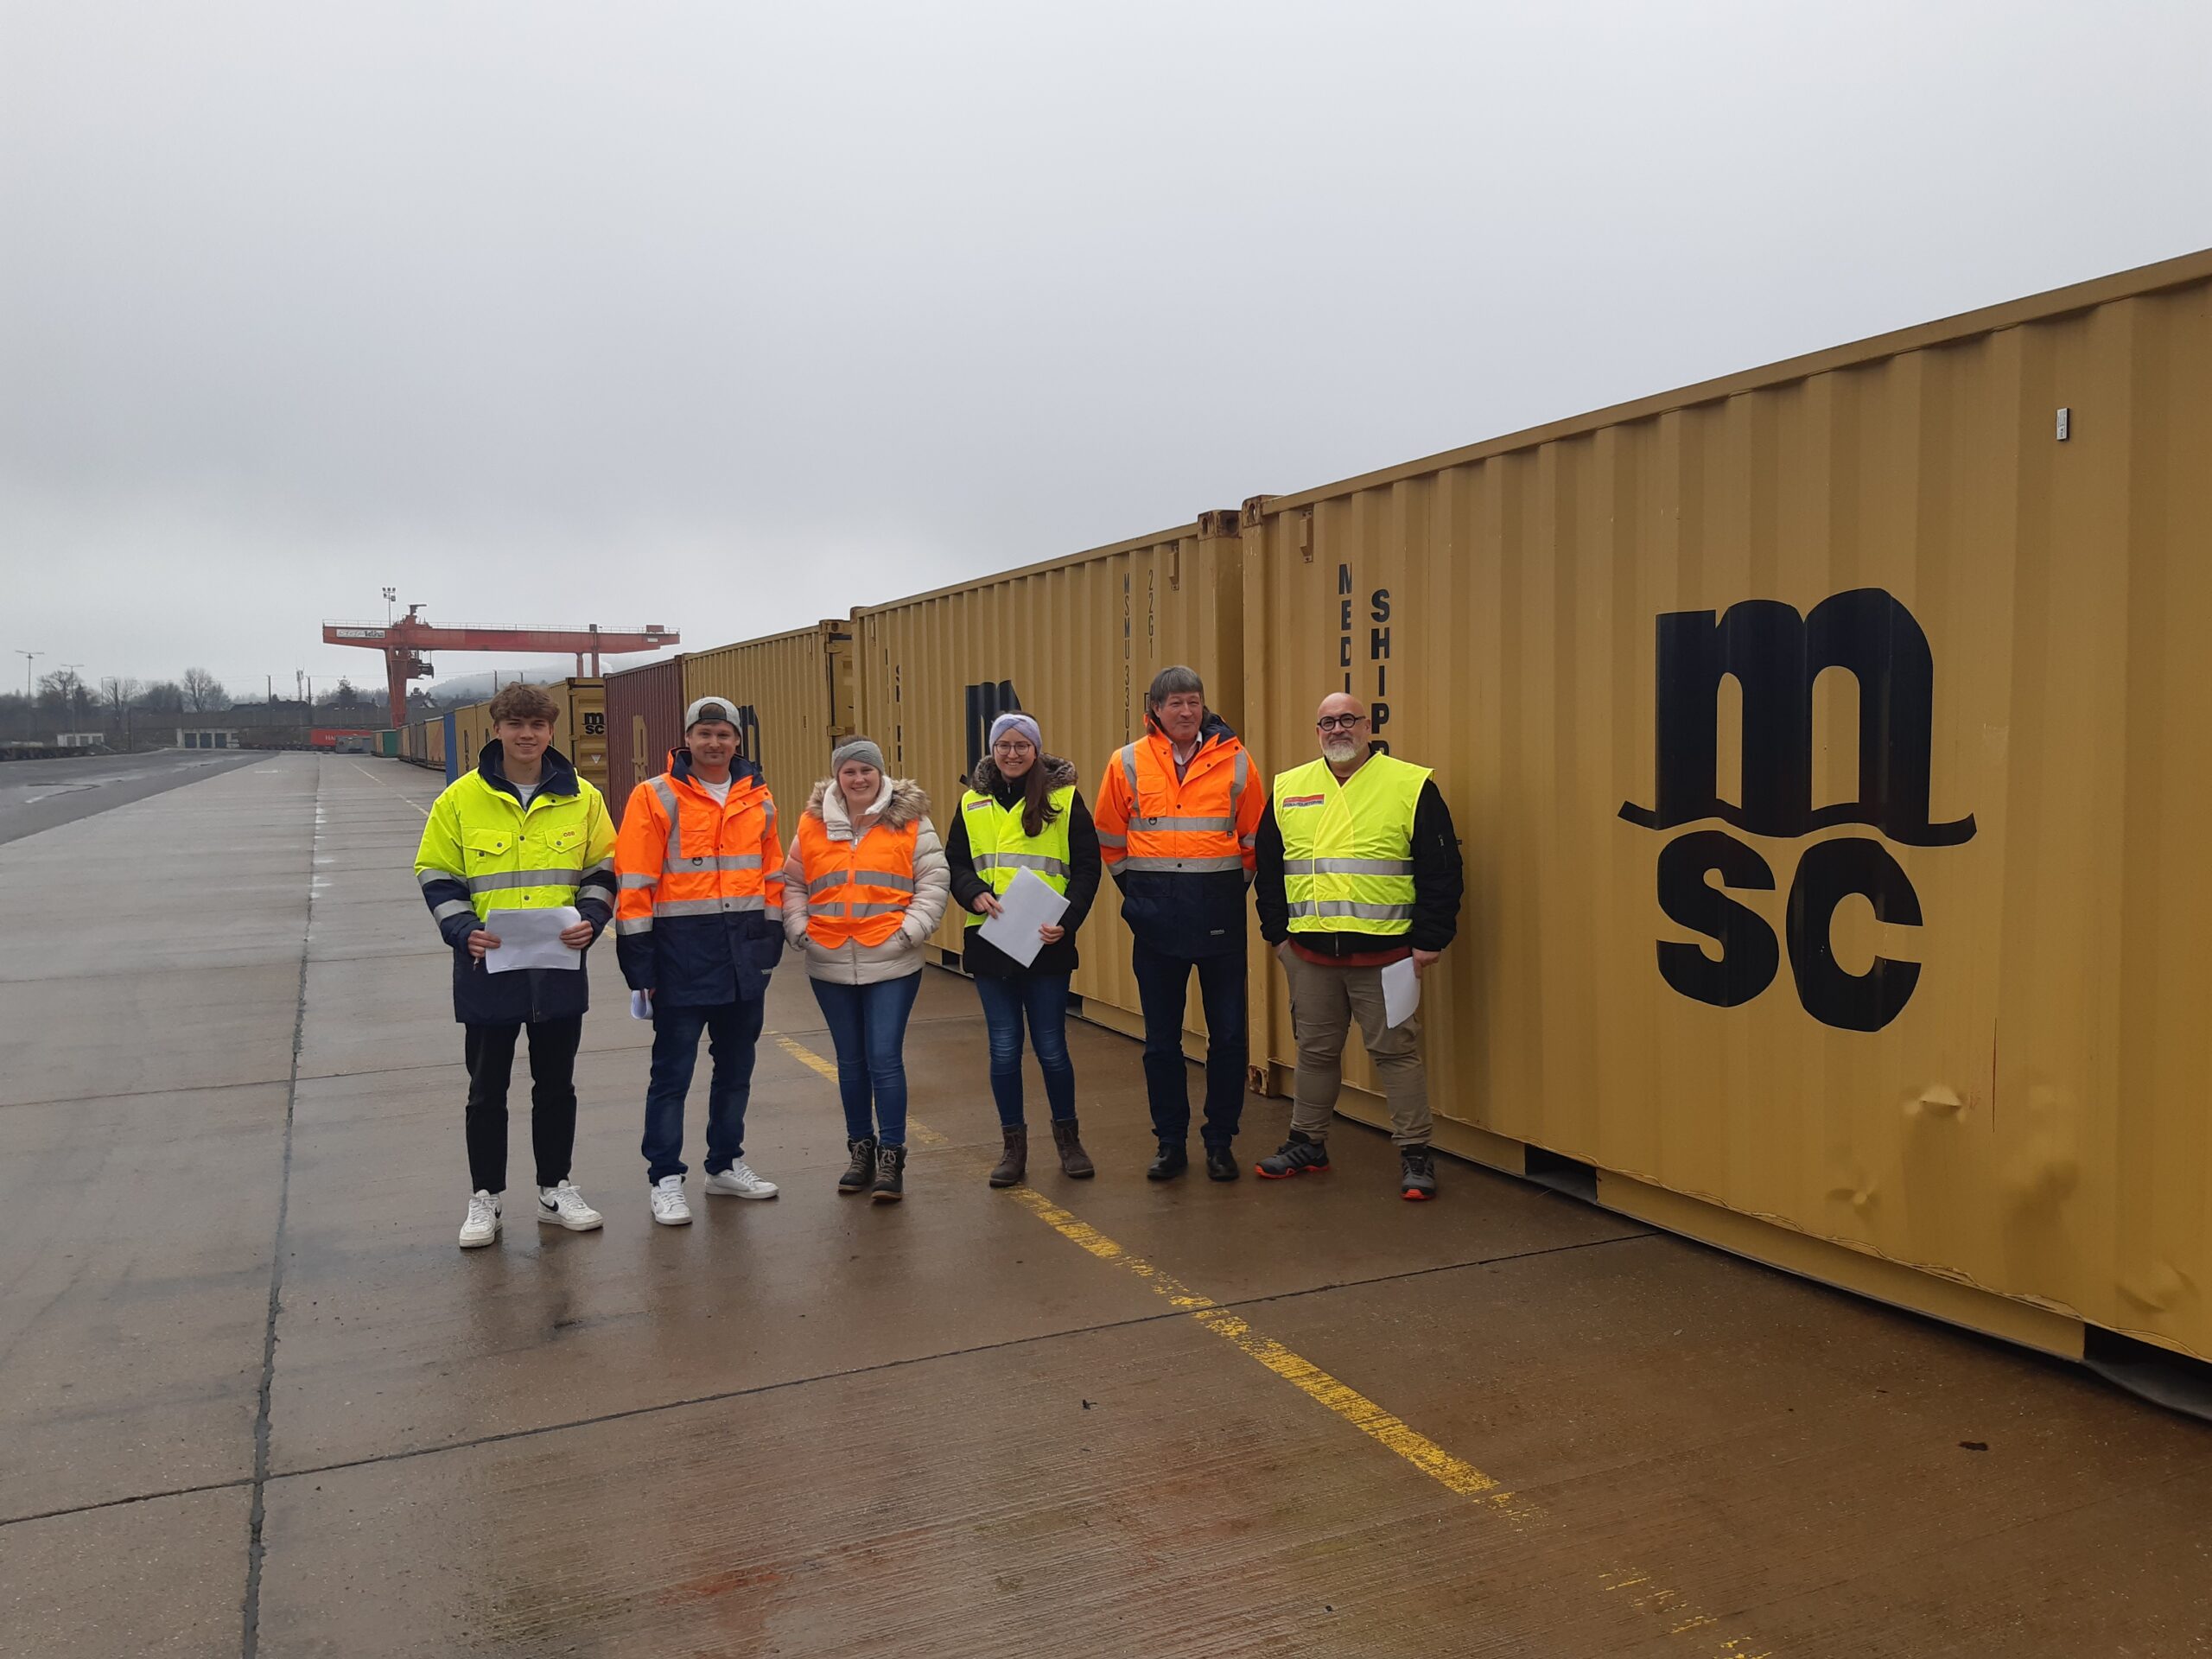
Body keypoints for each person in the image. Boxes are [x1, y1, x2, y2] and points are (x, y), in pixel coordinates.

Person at [413, 682, 618, 1247]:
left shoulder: (584, 798)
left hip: (557, 966)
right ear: (497, 729)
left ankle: (555, 1189)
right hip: (489, 967)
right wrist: (463, 931)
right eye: (515, 725)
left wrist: (592, 918)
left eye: (537, 725)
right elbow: (436, 873)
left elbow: (603, 867)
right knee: (486, 1090)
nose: (527, 735)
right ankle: (486, 1197)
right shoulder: (459, 799)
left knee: (556, 1086)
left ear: (551, 731)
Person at [1253, 693, 1464, 1199]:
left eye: (1348, 719)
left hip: (1387, 955)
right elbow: (1269, 868)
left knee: (1395, 1053)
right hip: (1309, 955)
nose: (1338, 729)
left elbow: (1441, 868)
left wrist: (1430, 939)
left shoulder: (1410, 785)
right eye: (1327, 722)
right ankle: (1307, 1143)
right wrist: (1278, 936)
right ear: (1317, 731)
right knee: (1315, 1052)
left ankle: (1416, 1153)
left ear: (1368, 726)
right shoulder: (1288, 787)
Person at [614, 696, 787, 1226]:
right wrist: (640, 968)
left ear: (737, 741)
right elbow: (634, 884)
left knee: (736, 1071)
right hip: (680, 957)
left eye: (723, 734)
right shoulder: (655, 796)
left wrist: (768, 944)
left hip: (742, 957)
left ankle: (725, 1164)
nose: (714, 743)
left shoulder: (758, 799)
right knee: (672, 1075)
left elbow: (773, 877)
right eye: (704, 733)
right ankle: (665, 1177)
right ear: (687, 739)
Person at [1093, 665, 1265, 1182]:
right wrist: (1144, 895)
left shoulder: (1236, 760)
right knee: (1162, 1042)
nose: (1186, 712)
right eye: (1176, 704)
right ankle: (1169, 1142)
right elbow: (1109, 837)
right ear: (1156, 710)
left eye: (1193, 702)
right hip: (1156, 925)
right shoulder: (1127, 762)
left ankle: (1220, 1141)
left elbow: (1255, 837)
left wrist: (1224, 891)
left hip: (1219, 923)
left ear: (1203, 705)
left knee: (1228, 1038)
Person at [781, 737, 950, 1202]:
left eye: (866, 771)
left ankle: (892, 1154)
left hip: (891, 959)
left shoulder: (910, 821)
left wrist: (910, 931)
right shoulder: (813, 824)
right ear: (837, 777)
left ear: (881, 773)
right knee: (850, 1062)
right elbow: (792, 882)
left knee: (884, 1057)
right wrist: (799, 928)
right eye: (849, 771)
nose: (859, 779)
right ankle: (861, 1150)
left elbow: (933, 880)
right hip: (829, 959)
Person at [946, 712, 1103, 1185]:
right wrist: (973, 891)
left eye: (1021, 745)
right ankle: (1013, 1148)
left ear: (1036, 750)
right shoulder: (972, 802)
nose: (1012, 754)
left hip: (1045, 941)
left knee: (1051, 1048)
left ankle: (1069, 1141)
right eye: (1003, 745)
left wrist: (1067, 922)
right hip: (991, 942)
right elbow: (955, 862)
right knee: (1004, 1049)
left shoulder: (1064, 799)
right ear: (992, 750)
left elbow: (1087, 868)